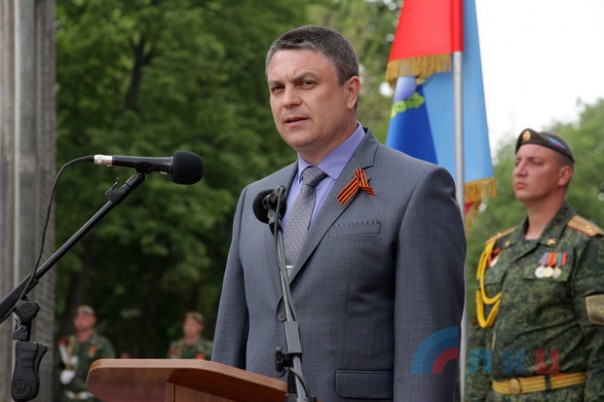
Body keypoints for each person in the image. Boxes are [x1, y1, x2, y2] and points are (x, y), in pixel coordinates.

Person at [212, 25, 466, 401]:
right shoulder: (256, 198)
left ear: (351, 91)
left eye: (306, 83)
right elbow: (230, 342)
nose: (288, 100)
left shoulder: (417, 188)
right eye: (277, 88)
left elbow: (427, 347)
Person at [465, 128, 604, 401]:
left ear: (563, 175)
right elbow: (481, 343)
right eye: (517, 162)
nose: (520, 171)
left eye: (534, 162)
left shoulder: (586, 244)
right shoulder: (498, 249)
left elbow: (600, 347)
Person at [57, 305, 116, 402]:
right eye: (77, 318)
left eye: (85, 318)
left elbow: (108, 370)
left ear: (93, 320)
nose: (80, 321)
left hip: (92, 398)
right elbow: (58, 366)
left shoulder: (102, 344)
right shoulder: (67, 342)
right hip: (68, 397)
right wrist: (61, 374)